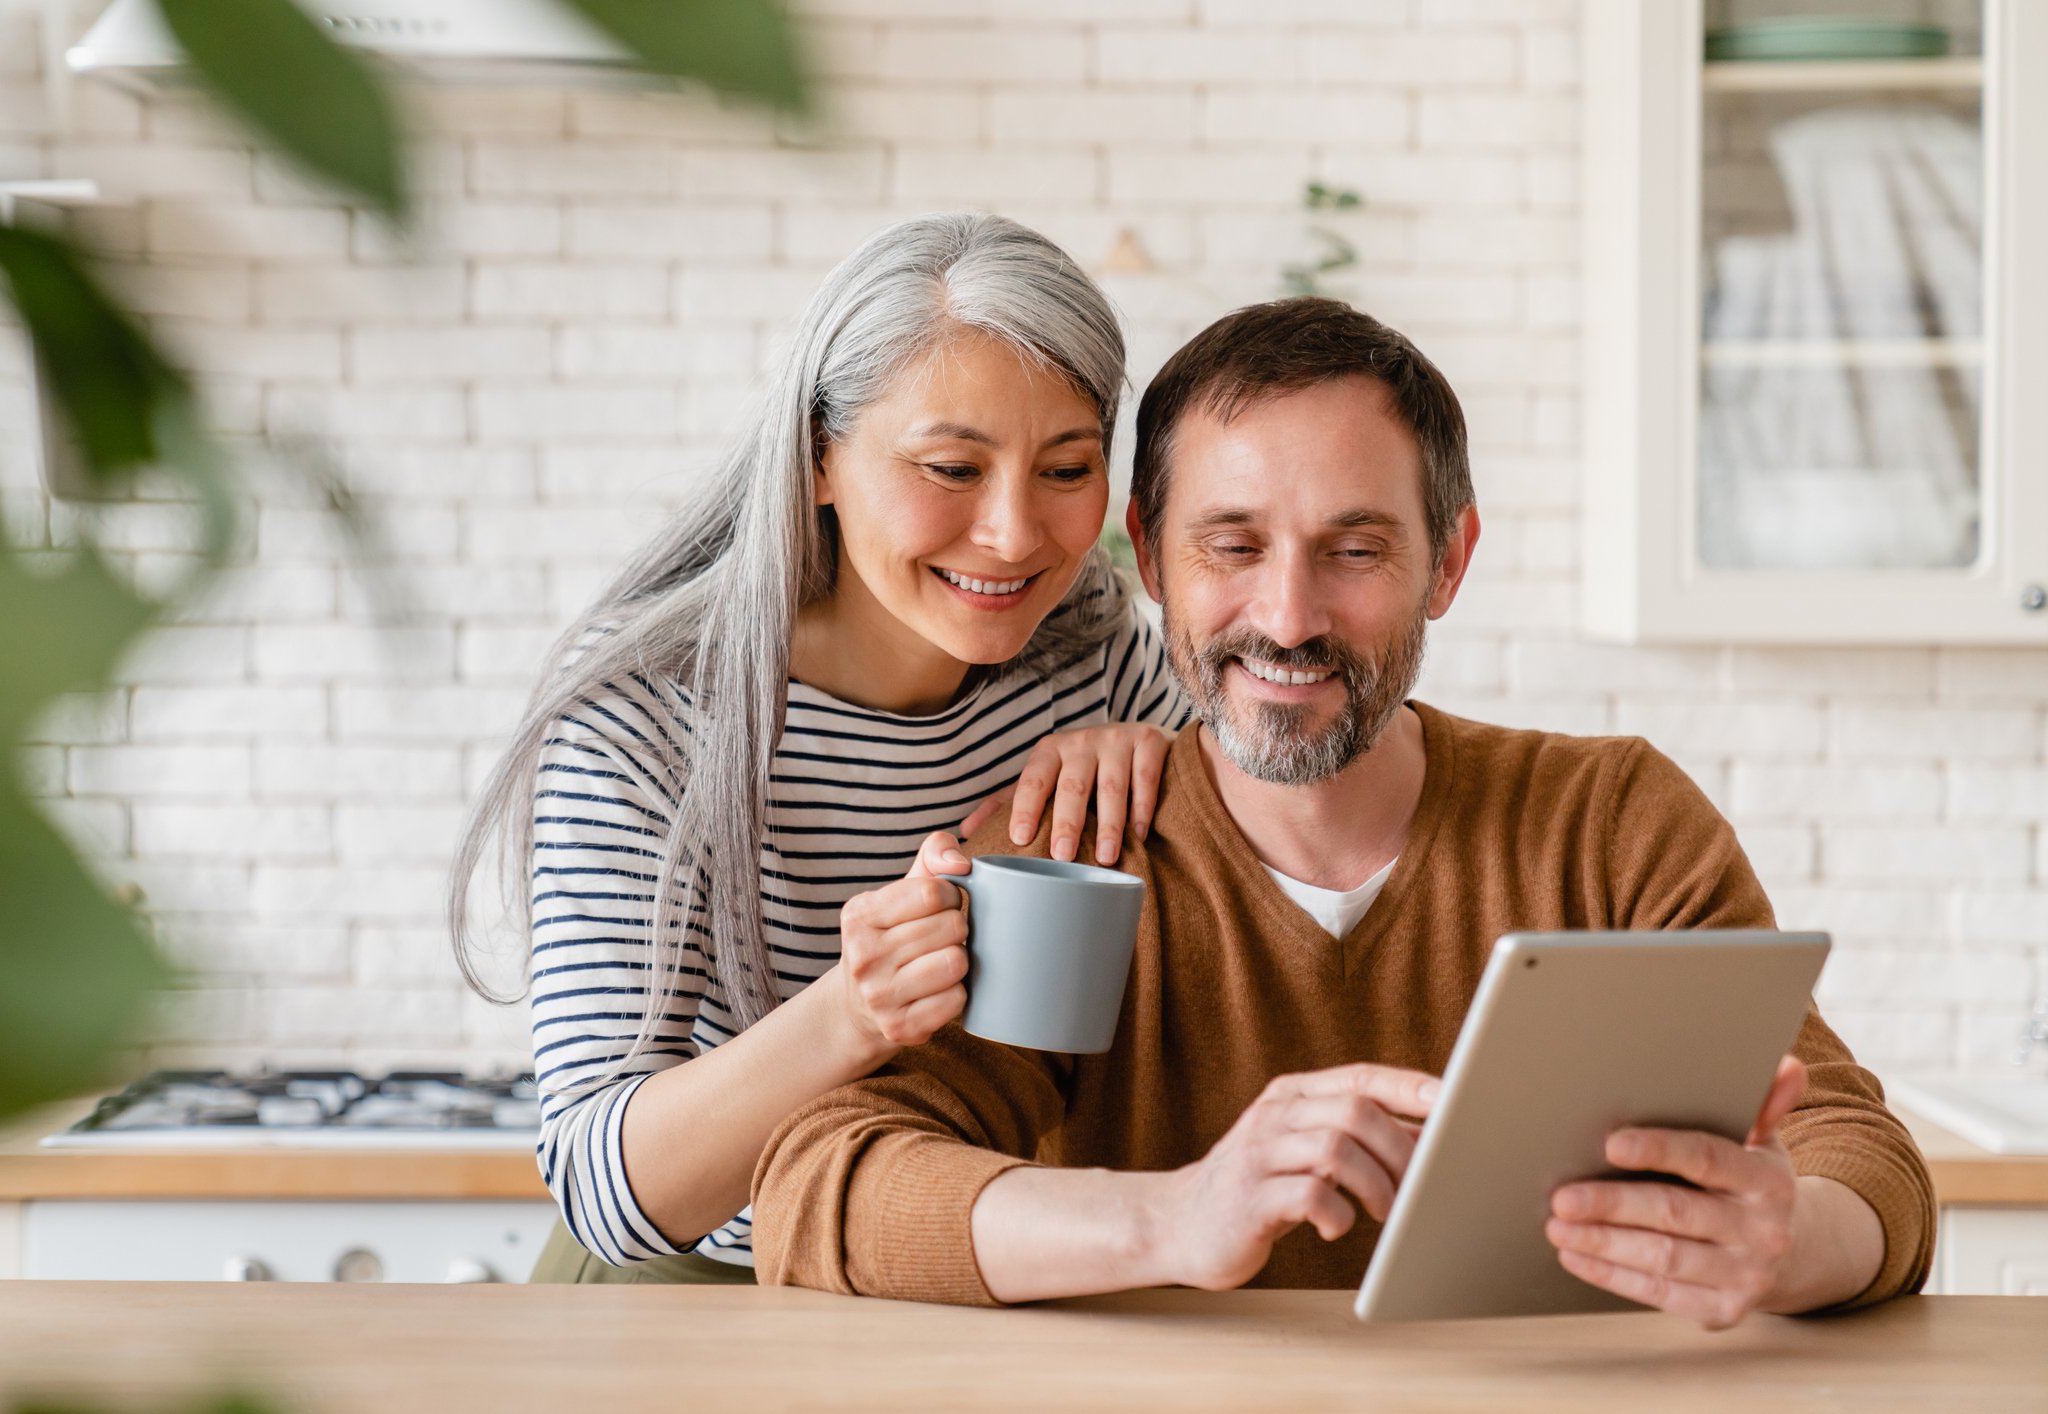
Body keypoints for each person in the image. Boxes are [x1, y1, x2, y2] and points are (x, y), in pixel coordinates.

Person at [751, 297, 1935, 1327]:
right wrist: (1175, 1216)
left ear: (1446, 563)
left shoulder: (1608, 823)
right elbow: (820, 1188)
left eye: (1353, 549)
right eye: (1231, 545)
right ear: (1151, 566)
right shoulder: (1068, 850)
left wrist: (1788, 1243)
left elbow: (1861, 1159)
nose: (1288, 613)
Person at [450, 214, 1190, 1284]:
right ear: (816, 460)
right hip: (699, 1287)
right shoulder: (651, 710)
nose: (1014, 533)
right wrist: (853, 1011)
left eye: (1065, 468)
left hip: (958, 1268)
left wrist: (1169, 764)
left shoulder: (1092, 658)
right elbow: (604, 1189)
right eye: (949, 466)